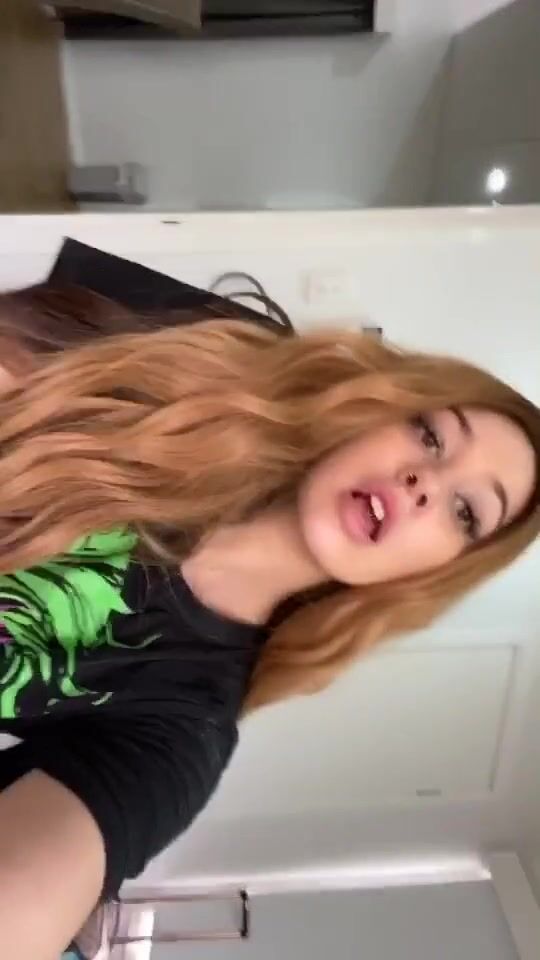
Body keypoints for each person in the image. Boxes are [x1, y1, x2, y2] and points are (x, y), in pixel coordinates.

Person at [0, 282, 538, 960]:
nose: (425, 483)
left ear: (434, 571)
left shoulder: (182, 729)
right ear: (377, 412)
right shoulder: (193, 365)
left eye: (465, 512)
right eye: (431, 435)